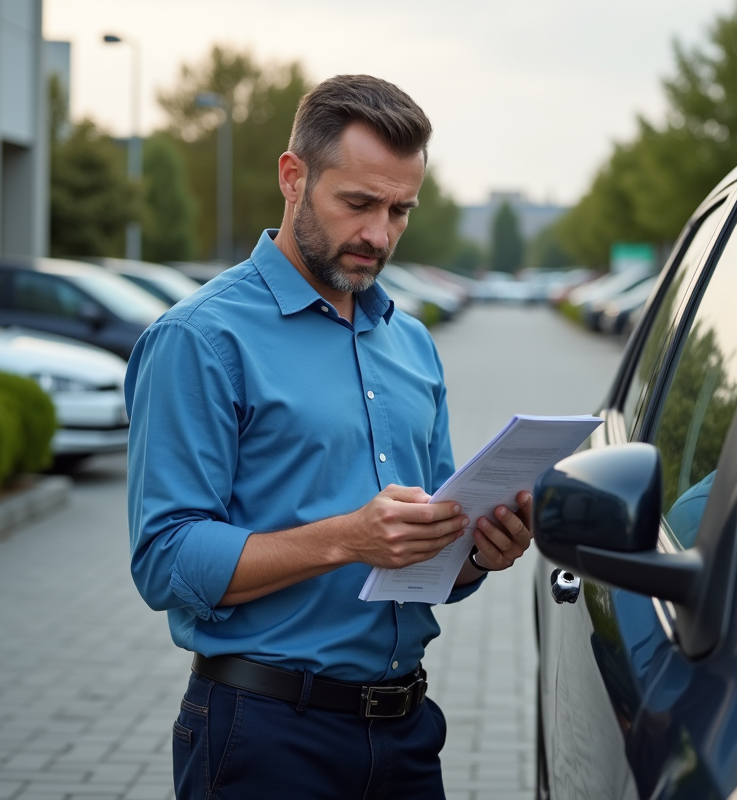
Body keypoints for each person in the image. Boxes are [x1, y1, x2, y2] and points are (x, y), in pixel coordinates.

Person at [125, 74, 534, 799]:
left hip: (408, 737)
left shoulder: (411, 342)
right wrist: (347, 538)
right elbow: (165, 557)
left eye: (400, 210)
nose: (380, 234)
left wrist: (478, 552)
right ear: (294, 177)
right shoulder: (200, 338)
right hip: (265, 739)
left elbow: (429, 551)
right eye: (359, 204)